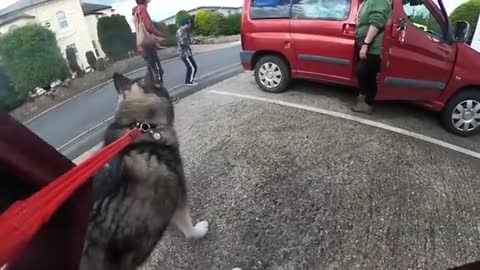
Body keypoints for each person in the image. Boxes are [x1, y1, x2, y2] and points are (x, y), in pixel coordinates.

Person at [352, 0, 392, 114]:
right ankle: (365, 101)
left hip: (373, 46)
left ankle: (365, 102)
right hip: (368, 43)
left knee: (363, 71)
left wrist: (365, 44)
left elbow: (376, 22)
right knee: (369, 74)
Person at [133, 0, 165, 85]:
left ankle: (157, 95)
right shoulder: (142, 8)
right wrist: (160, 35)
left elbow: (143, 31)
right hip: (148, 46)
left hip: (142, 46)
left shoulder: (136, 12)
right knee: (158, 73)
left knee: (153, 72)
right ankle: (164, 97)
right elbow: (149, 27)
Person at [176, 18, 198, 86]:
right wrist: (190, 42)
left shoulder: (183, 31)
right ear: (186, 24)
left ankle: (189, 80)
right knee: (192, 67)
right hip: (184, 53)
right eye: (189, 23)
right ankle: (189, 82)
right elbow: (182, 43)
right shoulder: (180, 31)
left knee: (192, 66)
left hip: (187, 52)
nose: (190, 25)